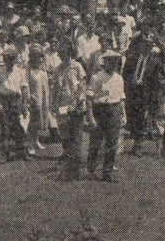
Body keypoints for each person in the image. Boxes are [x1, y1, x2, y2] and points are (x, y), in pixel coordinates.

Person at [86, 50, 127, 182]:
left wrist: (123, 115)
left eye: (115, 62)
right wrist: (91, 117)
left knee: (112, 143)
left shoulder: (119, 78)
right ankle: (91, 170)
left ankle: (107, 172)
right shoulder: (96, 77)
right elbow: (89, 99)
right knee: (96, 143)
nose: (113, 64)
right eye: (110, 61)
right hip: (100, 111)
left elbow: (121, 99)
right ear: (105, 62)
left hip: (114, 110)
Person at [52, 41, 88, 180]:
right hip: (62, 104)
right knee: (64, 132)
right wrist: (53, 104)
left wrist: (78, 101)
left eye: (64, 54)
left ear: (70, 54)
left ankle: (76, 163)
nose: (62, 57)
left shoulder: (77, 66)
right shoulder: (58, 69)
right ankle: (67, 154)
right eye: (60, 54)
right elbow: (55, 88)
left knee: (76, 133)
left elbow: (82, 86)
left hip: (76, 105)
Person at [0, 45, 30, 161]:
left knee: (18, 127)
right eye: (8, 58)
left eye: (12, 59)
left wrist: (24, 105)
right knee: (5, 128)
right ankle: (5, 154)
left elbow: (24, 88)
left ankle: (21, 152)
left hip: (15, 101)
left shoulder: (20, 71)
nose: (10, 61)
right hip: (4, 100)